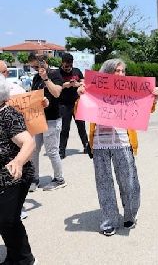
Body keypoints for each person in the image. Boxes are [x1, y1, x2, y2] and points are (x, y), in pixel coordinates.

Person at [78, 59, 158, 236]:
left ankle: (130, 215)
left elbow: (145, 109)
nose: (121, 74)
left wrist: (153, 98)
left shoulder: (129, 89)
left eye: (123, 71)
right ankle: (109, 220)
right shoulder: (95, 89)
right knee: (104, 183)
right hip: (100, 144)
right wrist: (82, 95)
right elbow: (80, 110)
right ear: (108, 72)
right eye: (117, 70)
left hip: (123, 142)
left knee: (129, 181)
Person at [0, 75, 37, 265]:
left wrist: (18, 161)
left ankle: (24, 258)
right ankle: (14, 256)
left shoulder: (8, 114)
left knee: (7, 219)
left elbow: (29, 142)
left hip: (14, 175)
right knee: (4, 220)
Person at [28, 54, 65, 192]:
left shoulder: (55, 74)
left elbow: (56, 93)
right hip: (38, 119)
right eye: (33, 67)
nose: (35, 69)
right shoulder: (35, 77)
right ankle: (34, 178)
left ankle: (59, 179)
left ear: (45, 62)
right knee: (33, 150)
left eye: (37, 66)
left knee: (52, 151)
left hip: (52, 119)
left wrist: (46, 78)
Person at [58, 53, 89, 159]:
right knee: (64, 128)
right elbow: (57, 86)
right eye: (66, 66)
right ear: (62, 63)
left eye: (70, 66)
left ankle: (86, 146)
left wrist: (79, 84)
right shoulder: (57, 72)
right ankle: (61, 150)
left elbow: (84, 81)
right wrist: (68, 84)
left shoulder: (77, 71)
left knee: (81, 126)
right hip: (64, 104)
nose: (68, 68)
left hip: (77, 103)